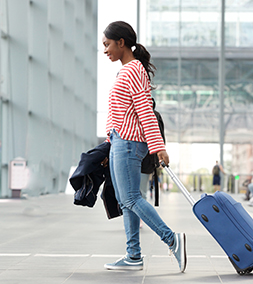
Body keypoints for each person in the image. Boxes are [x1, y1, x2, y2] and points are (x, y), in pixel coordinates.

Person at [102, 21, 187, 272]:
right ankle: (133, 255)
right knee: (124, 199)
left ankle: (172, 239)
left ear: (121, 43)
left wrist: (158, 147)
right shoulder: (126, 70)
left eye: (107, 45)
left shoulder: (134, 69)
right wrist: (109, 143)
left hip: (129, 142)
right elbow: (121, 112)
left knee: (130, 197)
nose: (105, 50)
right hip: (120, 141)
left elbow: (145, 110)